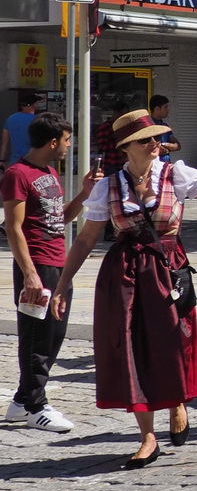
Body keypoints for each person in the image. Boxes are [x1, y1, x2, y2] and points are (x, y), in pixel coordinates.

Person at [51, 110, 197, 466]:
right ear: (127, 147)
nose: (156, 144)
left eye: (158, 138)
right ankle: (147, 436)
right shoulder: (108, 186)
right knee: (129, 348)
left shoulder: (175, 174)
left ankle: (177, 403)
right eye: (147, 140)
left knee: (172, 343)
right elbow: (86, 239)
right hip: (125, 273)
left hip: (167, 270)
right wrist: (62, 284)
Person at [5, 113, 97, 433]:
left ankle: (21, 400)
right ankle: (34, 406)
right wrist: (29, 274)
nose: (69, 147)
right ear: (53, 141)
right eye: (68, 141)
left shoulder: (50, 172)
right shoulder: (17, 174)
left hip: (59, 263)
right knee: (37, 336)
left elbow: (61, 217)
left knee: (55, 334)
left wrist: (85, 194)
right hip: (37, 265)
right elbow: (13, 229)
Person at [1, 91, 40, 167]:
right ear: (34, 104)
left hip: (15, 162)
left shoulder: (10, 119)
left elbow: (4, 142)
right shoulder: (38, 120)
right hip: (33, 162)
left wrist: (2, 160)